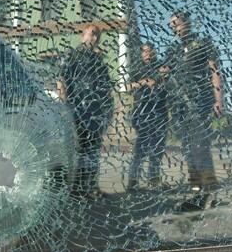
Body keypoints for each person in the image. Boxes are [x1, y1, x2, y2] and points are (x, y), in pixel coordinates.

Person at [164, 10, 224, 211]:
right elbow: (164, 71)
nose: (175, 28)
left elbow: (214, 71)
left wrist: (218, 100)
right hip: (180, 106)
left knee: (200, 147)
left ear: (187, 23)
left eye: (177, 23)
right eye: (172, 25)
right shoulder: (173, 50)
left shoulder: (203, 44)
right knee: (188, 149)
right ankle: (196, 191)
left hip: (199, 103)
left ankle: (212, 192)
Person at [57, 25, 114, 198]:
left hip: (95, 113)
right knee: (78, 150)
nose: (95, 38)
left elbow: (106, 89)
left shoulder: (99, 61)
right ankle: (76, 190)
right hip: (78, 111)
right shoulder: (72, 55)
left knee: (93, 152)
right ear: (83, 36)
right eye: (93, 34)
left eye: (98, 36)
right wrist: (66, 107)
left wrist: (108, 112)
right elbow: (61, 81)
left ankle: (90, 187)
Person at [126, 42, 169, 191]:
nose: (148, 54)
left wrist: (165, 75)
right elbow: (127, 87)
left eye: (151, 51)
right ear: (141, 53)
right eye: (145, 51)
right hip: (142, 112)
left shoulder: (161, 66)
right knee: (141, 148)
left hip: (160, 111)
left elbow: (169, 82)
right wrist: (144, 81)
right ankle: (132, 181)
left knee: (158, 148)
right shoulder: (137, 68)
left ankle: (154, 180)